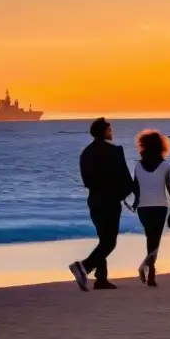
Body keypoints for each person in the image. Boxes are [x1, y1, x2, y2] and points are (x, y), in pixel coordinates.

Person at [69, 117, 134, 291]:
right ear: (103, 132)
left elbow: (87, 181)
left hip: (94, 200)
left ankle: (101, 280)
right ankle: (84, 267)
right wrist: (128, 194)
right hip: (110, 201)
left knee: (103, 239)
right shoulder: (115, 151)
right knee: (109, 242)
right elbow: (125, 178)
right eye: (109, 130)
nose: (112, 132)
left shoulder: (86, 153)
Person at [131, 129, 170, 287]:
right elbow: (169, 186)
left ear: (143, 146)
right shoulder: (165, 166)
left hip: (143, 208)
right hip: (159, 206)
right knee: (155, 241)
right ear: (161, 146)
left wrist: (134, 203)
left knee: (149, 238)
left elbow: (136, 187)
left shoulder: (138, 165)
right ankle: (149, 271)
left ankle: (149, 269)